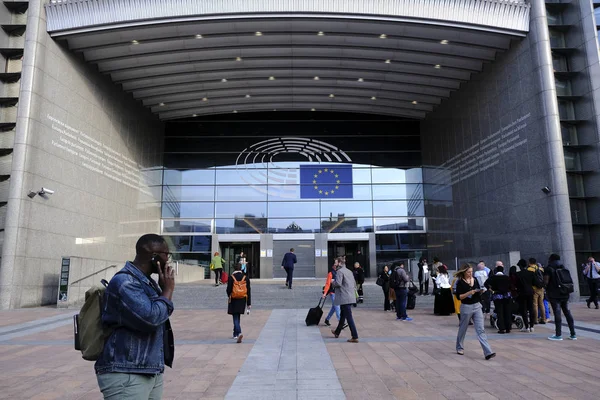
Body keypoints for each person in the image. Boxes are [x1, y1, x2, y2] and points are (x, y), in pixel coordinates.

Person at [95, 234, 175, 399]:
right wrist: (167, 291)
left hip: (147, 369)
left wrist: (162, 289)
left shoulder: (145, 282)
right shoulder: (126, 283)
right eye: (166, 254)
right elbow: (151, 318)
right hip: (126, 372)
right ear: (155, 257)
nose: (168, 259)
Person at [454, 264, 495, 360]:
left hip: (477, 306)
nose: (470, 274)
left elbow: (477, 289)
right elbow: (459, 297)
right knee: (463, 328)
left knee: (480, 329)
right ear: (464, 272)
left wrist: (480, 291)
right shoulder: (459, 282)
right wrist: (469, 293)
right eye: (468, 272)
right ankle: (459, 347)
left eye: (471, 272)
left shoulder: (475, 279)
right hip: (466, 307)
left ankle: (488, 352)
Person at [545, 254, 576, 341]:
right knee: (567, 312)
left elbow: (546, 281)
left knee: (557, 312)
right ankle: (573, 334)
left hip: (554, 294)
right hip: (565, 292)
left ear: (550, 259)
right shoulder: (563, 267)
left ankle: (558, 334)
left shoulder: (549, 268)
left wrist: (545, 288)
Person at [331, 259, 359, 343]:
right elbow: (354, 283)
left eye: (335, 262)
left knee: (349, 317)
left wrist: (333, 282)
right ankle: (337, 332)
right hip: (350, 296)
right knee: (343, 315)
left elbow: (338, 283)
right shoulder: (349, 271)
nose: (334, 264)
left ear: (339, 263)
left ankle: (355, 336)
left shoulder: (339, 272)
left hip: (344, 297)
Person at [226, 263, 251, 343]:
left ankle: (239, 332)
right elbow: (248, 291)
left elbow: (228, 289)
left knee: (235, 316)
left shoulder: (231, 277)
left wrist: (229, 295)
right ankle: (235, 333)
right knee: (238, 315)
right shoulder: (245, 278)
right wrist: (248, 303)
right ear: (241, 268)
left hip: (234, 299)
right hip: (242, 299)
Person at [484, 265, 512, 333]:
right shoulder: (507, 277)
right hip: (507, 296)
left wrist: (491, 289)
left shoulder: (493, 277)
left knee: (499, 312)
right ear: (503, 270)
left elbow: (485, 284)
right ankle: (508, 327)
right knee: (507, 311)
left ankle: (501, 328)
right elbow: (511, 286)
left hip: (497, 296)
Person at [516, 258, 535, 332]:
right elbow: (534, 282)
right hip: (530, 292)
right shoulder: (531, 273)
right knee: (531, 309)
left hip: (522, 292)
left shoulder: (518, 274)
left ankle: (526, 326)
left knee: (523, 309)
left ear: (520, 266)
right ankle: (532, 326)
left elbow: (516, 284)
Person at [322, 258, 341, 326]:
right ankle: (340, 321)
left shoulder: (340, 272)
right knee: (337, 306)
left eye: (337, 262)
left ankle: (327, 319)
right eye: (335, 263)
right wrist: (325, 293)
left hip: (338, 292)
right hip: (333, 292)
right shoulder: (331, 273)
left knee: (334, 307)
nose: (336, 264)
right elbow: (327, 284)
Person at [526, 258, 545, 324]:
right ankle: (543, 319)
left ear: (529, 262)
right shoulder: (540, 269)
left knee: (535, 304)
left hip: (534, 289)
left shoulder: (529, 269)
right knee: (541, 304)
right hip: (541, 288)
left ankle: (535, 320)